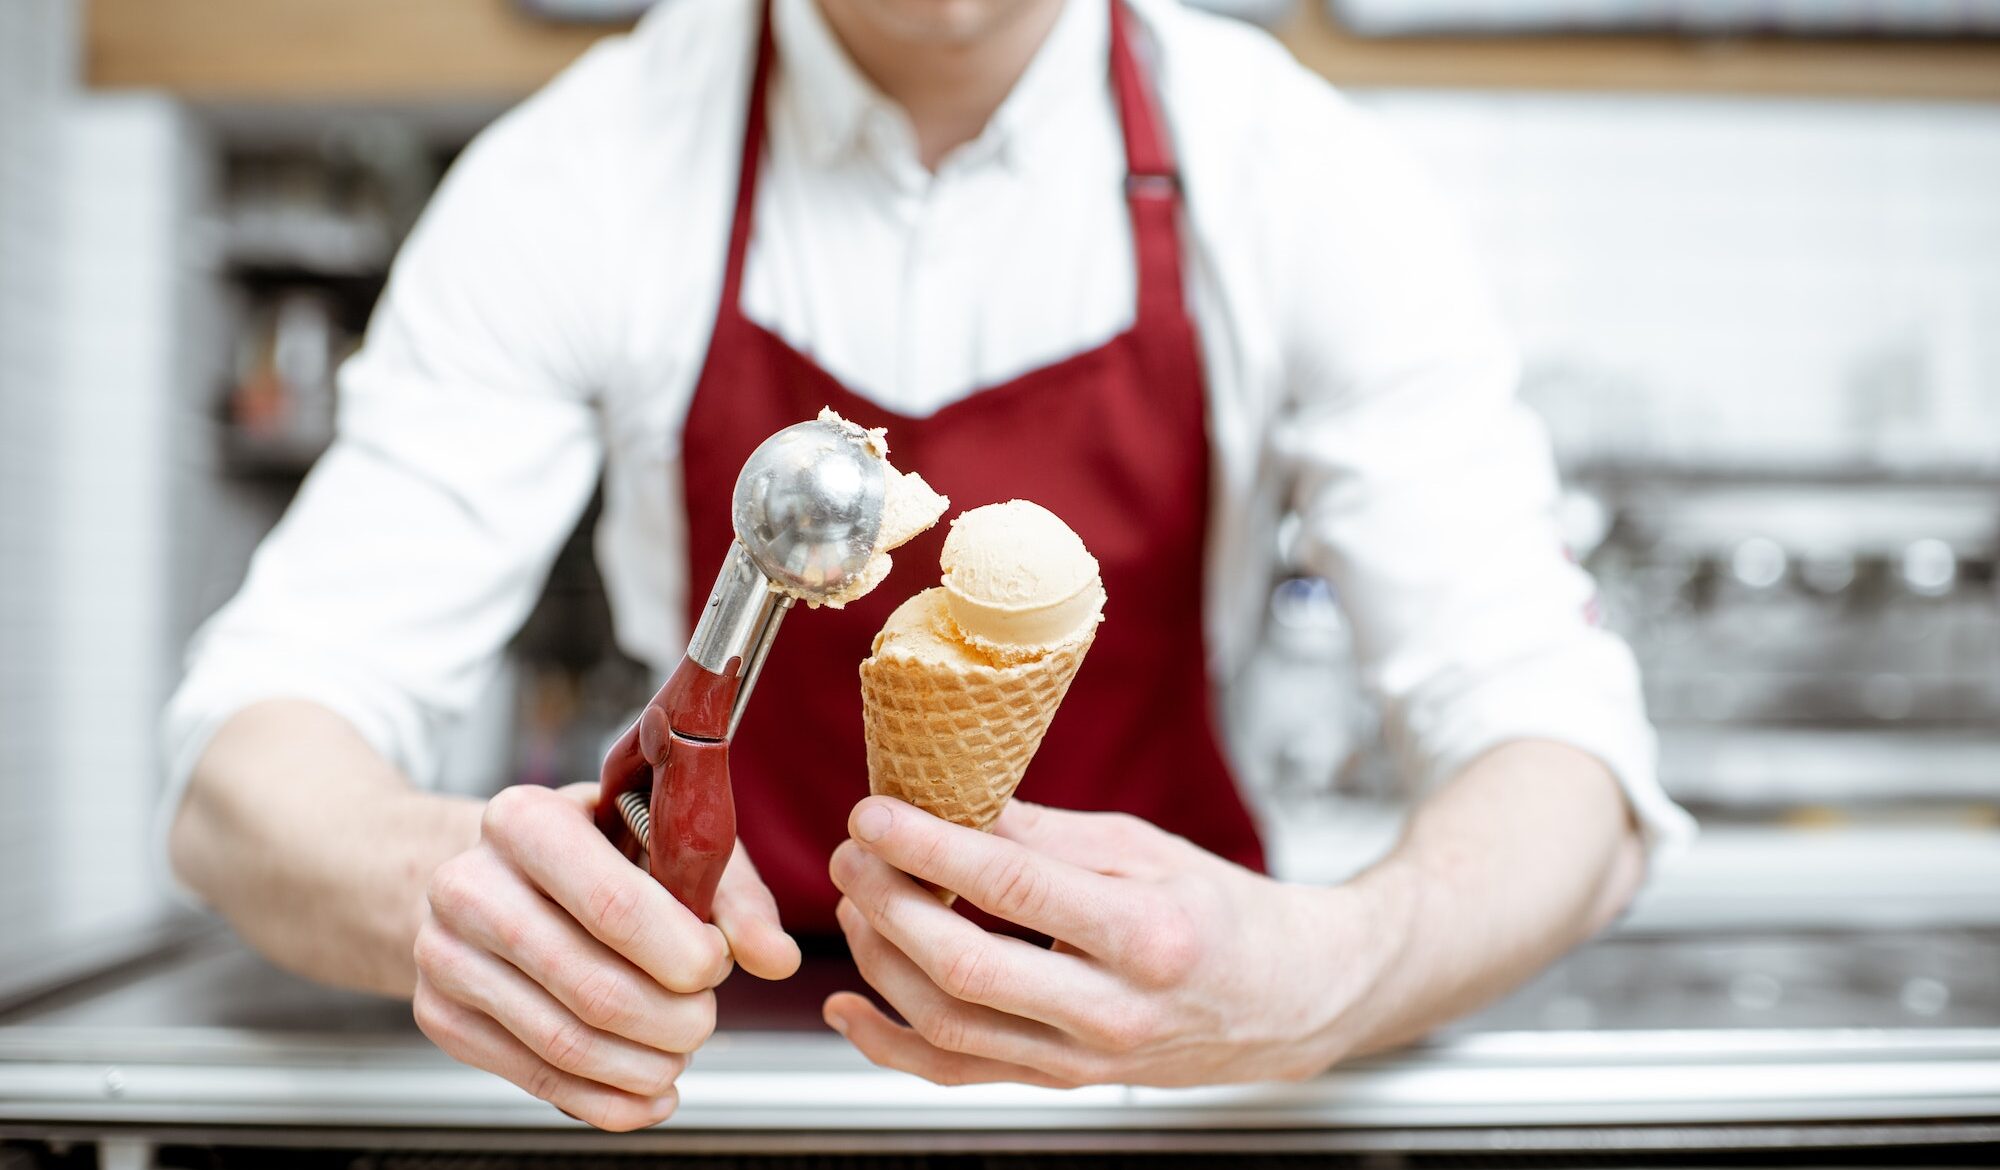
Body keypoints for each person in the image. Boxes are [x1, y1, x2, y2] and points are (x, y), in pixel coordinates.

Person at [162, 0, 1694, 1133]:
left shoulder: (1300, 177)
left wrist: (1335, 966)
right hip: (699, 1090)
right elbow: (253, 757)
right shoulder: (581, 170)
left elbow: (1559, 749)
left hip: (1173, 1098)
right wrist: (456, 888)